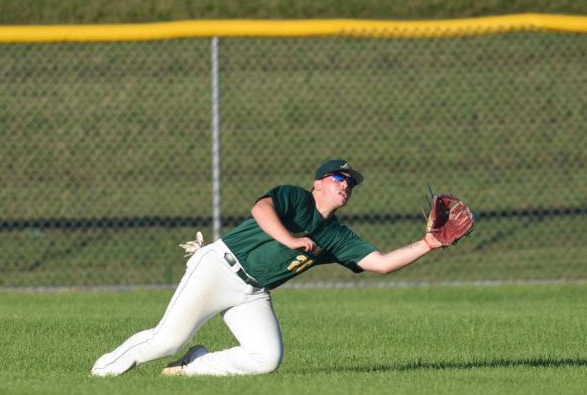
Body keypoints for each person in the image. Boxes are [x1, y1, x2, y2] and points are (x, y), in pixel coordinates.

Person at [91, 159, 454, 377]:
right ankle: (102, 372)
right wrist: (292, 240)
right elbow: (260, 210)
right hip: (219, 268)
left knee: (266, 358)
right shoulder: (296, 198)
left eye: (350, 182)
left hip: (251, 292)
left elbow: (381, 264)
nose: (346, 185)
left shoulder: (336, 235)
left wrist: (428, 243)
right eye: (339, 178)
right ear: (318, 184)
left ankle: (195, 366)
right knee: (167, 340)